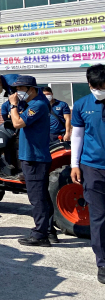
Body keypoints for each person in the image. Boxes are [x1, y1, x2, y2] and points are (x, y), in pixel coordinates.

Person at [7, 75, 56, 246]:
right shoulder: (36, 101)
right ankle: (49, 231)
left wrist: (13, 105)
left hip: (34, 157)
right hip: (36, 156)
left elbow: (18, 123)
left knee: (36, 198)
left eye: (20, 89)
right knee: (42, 196)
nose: (18, 93)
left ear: (31, 89)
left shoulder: (38, 104)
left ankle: (39, 234)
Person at [70, 63, 105, 284]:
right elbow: (77, 137)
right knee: (98, 218)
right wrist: (75, 164)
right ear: (90, 84)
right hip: (92, 168)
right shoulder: (82, 105)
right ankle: (102, 263)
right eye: (97, 86)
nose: (100, 89)